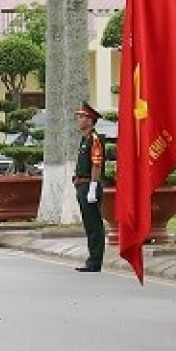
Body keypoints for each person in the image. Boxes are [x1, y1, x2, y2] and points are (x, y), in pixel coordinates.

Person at [73, 102, 107, 272]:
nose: (78, 120)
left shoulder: (94, 139)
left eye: (81, 116)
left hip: (89, 185)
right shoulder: (84, 139)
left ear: (89, 119)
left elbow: (96, 164)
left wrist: (93, 186)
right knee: (88, 224)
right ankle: (92, 258)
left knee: (94, 225)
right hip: (81, 185)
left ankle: (95, 261)